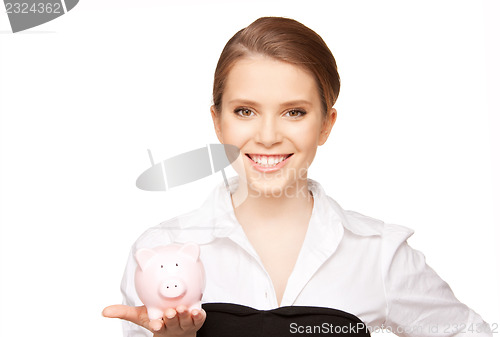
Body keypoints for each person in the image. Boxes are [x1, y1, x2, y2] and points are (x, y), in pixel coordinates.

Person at [103, 16, 492, 337]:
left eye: (294, 112)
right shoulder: (161, 250)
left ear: (326, 124)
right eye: (244, 111)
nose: (269, 136)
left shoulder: (379, 254)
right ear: (217, 123)